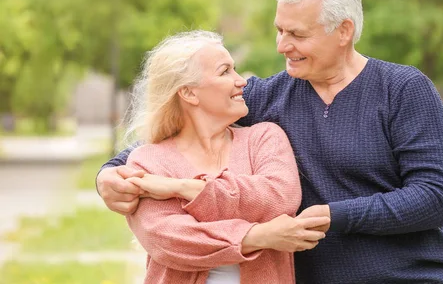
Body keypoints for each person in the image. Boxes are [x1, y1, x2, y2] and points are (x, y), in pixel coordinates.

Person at [97, 0, 443, 283]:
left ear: (344, 31)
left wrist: (336, 215)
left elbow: (437, 197)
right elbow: (179, 133)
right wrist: (110, 173)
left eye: (297, 34)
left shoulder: (403, 89)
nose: (281, 46)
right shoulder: (269, 97)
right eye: (280, 30)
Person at [115, 30, 329, 284]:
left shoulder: (264, 138)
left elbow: (280, 199)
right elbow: (167, 240)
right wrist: (259, 235)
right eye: (224, 71)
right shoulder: (148, 161)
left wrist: (184, 188)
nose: (241, 81)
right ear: (189, 93)